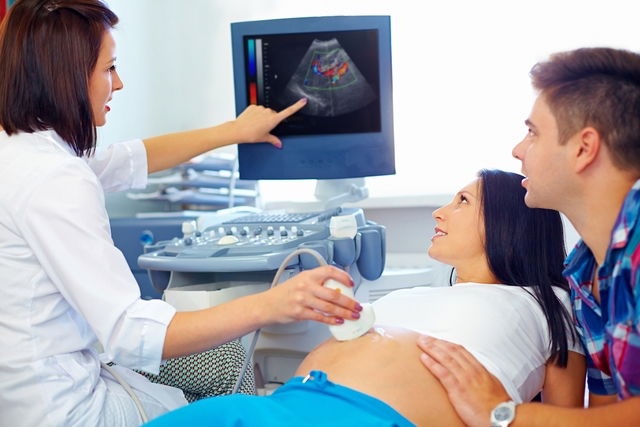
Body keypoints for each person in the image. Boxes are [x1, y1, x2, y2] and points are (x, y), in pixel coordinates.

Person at [0, 1, 363, 426]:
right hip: (65, 408)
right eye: (108, 69)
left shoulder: (22, 150)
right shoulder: (55, 178)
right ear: (65, 77)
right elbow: (130, 332)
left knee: (224, 362)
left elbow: (131, 159)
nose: (118, 84)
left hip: (28, 382)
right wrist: (273, 304)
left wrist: (235, 131)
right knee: (246, 409)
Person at [144, 169, 586, 426]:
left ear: (511, 222)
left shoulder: (549, 304)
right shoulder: (414, 294)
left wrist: (500, 414)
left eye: (463, 201)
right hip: (280, 407)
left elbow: (564, 418)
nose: (440, 212)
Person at [418, 48, 640, 426]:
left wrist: (506, 414)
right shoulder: (584, 274)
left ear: (584, 149)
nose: (517, 150)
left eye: (533, 133)